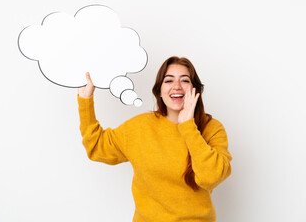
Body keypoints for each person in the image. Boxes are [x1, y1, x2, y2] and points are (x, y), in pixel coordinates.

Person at [77, 56, 232, 222]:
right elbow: (97, 147)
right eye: (169, 80)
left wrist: (188, 126)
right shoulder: (140, 127)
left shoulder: (212, 128)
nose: (177, 86)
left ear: (195, 89)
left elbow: (211, 178)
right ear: (159, 90)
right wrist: (85, 100)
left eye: (185, 80)